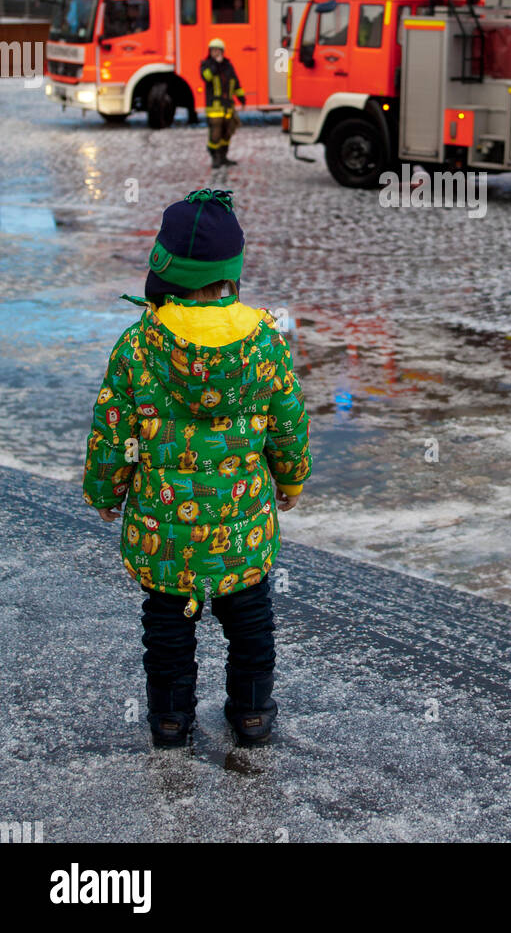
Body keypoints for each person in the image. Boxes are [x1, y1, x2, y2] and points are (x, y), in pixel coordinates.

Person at [82, 189, 311, 749]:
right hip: (242, 526)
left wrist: (104, 489)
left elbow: (112, 429)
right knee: (250, 620)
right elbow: (287, 420)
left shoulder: (138, 345)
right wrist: (291, 476)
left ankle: (168, 718)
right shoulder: (265, 343)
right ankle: (252, 714)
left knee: (166, 625)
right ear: (231, 273)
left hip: (165, 532)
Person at [200, 39, 245, 170]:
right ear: (210, 52)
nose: (216, 53)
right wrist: (215, 65)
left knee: (227, 133)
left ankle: (224, 157)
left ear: (222, 51)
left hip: (227, 106)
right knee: (215, 133)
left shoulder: (228, 65)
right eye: (213, 50)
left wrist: (241, 97)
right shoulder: (206, 64)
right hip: (214, 107)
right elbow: (206, 77)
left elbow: (235, 82)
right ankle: (215, 157)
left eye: (218, 50)